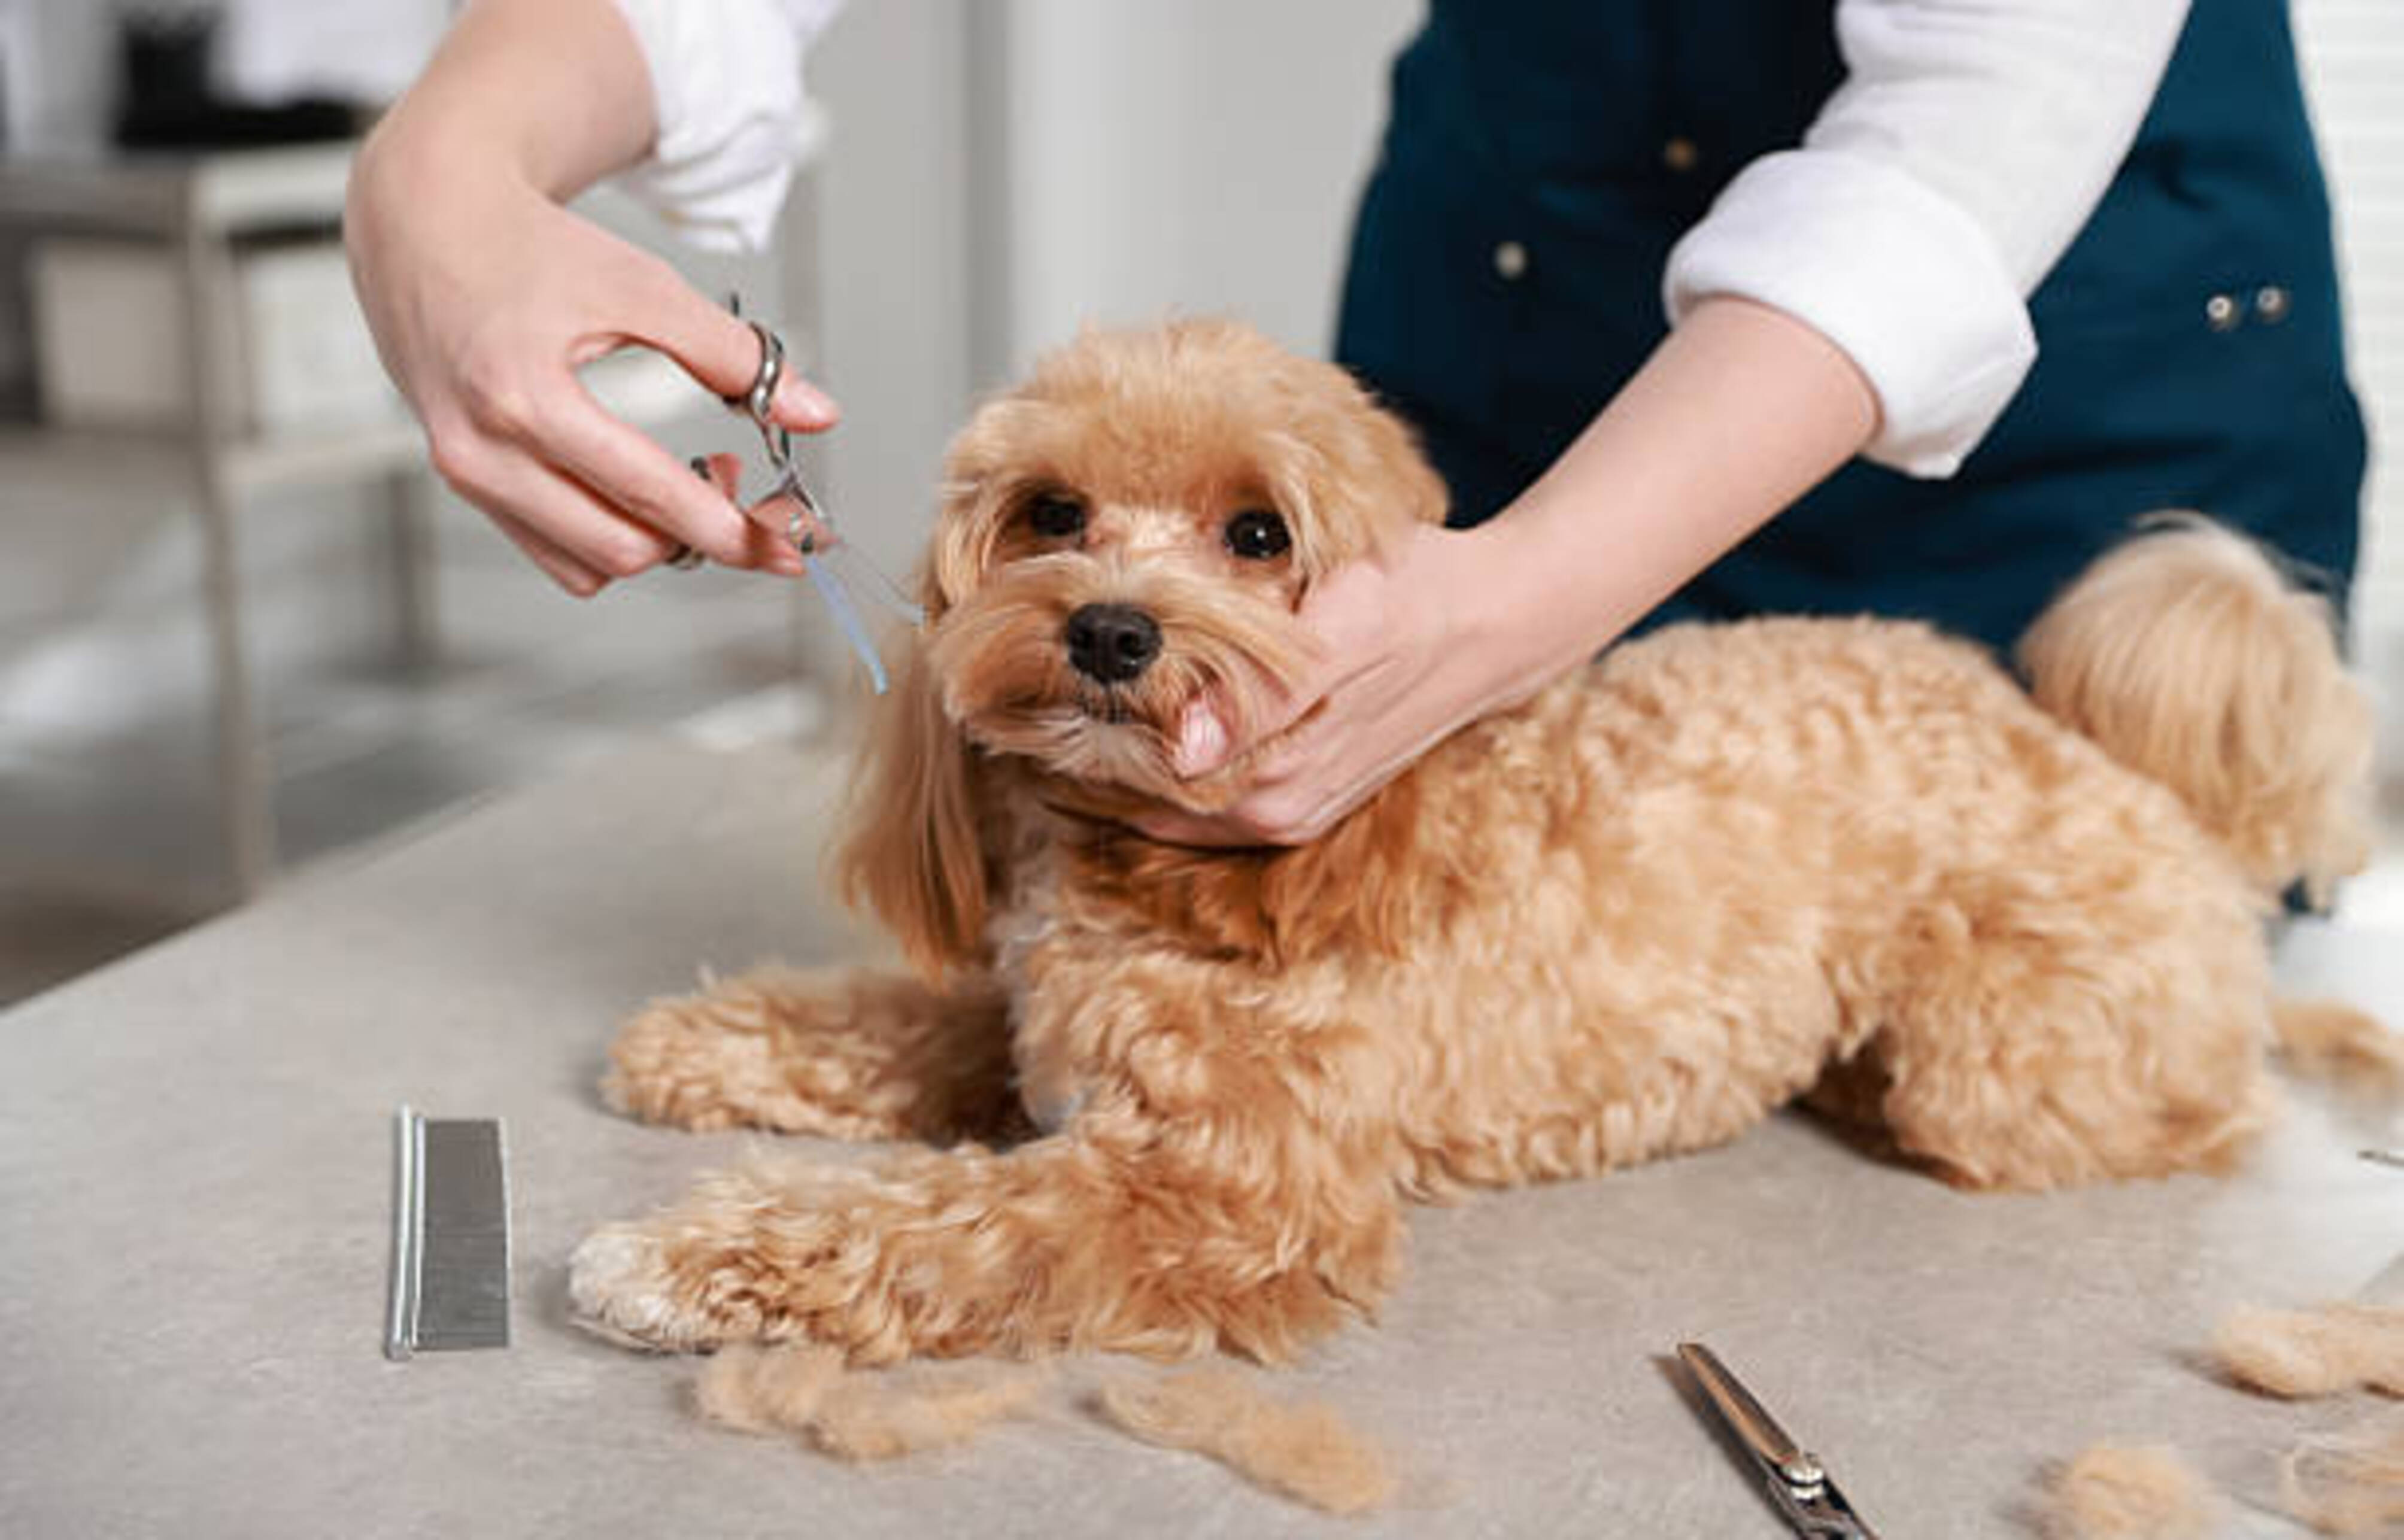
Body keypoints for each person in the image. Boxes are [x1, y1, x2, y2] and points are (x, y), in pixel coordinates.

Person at [345, 0, 2364, 848]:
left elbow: (1981, 111)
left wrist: (1533, 599)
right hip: (1520, 301)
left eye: (1234, 539)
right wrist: (444, 165)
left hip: (2066, 412)